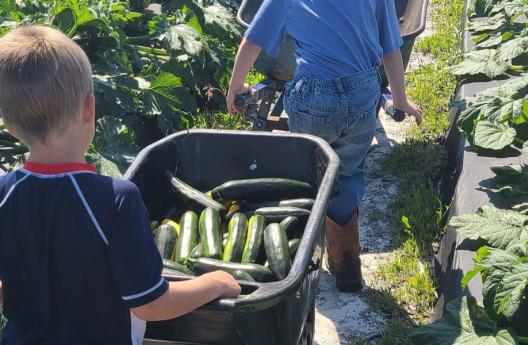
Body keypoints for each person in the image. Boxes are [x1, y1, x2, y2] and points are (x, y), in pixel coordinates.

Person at [0, 25, 240, 345]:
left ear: (9, 125)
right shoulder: (115, 199)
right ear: (90, 108)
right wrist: (216, 283)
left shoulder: (5, 194)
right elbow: (150, 304)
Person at [227, 0, 423, 293]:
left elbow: (253, 38)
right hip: (362, 94)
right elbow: (391, 47)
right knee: (347, 174)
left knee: (309, 176)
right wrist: (400, 98)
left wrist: (235, 86)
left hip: (313, 99)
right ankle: (347, 269)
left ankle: (296, 264)